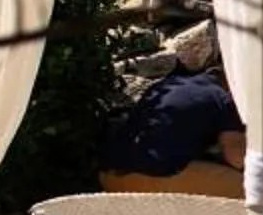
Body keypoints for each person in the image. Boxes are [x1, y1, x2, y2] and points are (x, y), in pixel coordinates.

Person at [98, 69, 246, 196]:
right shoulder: (224, 98)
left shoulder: (170, 83)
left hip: (111, 176)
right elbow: (236, 157)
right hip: (154, 179)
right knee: (254, 189)